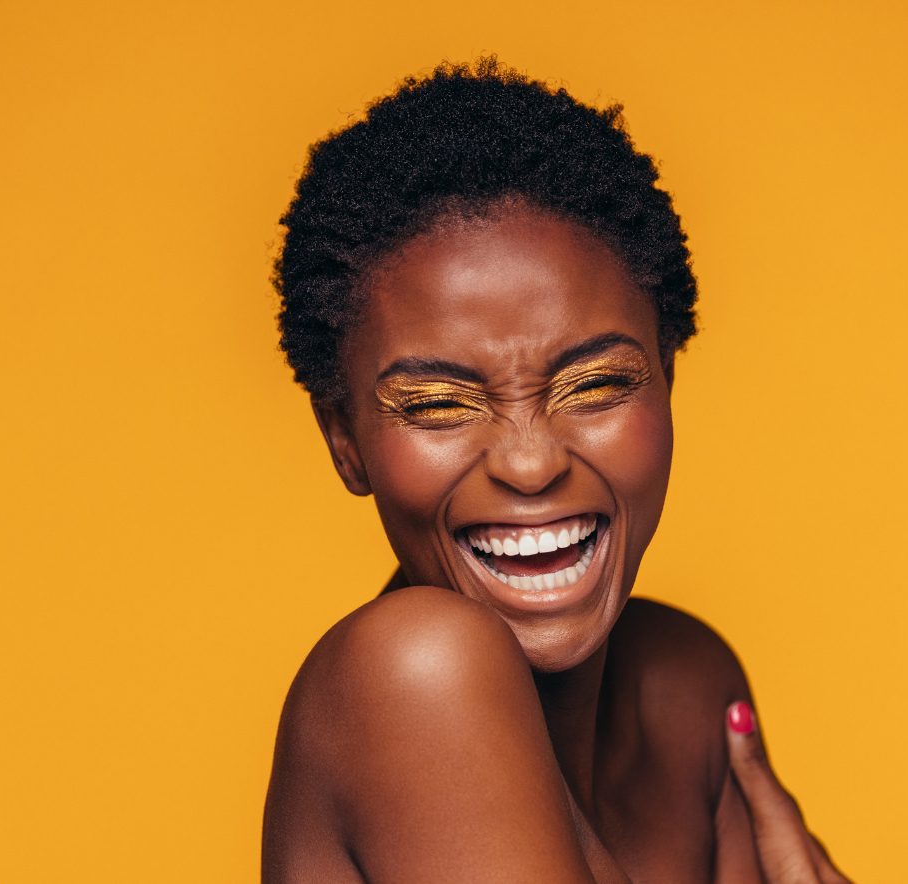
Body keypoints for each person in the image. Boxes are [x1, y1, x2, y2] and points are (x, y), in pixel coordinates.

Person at [262, 58, 851, 883]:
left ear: (666, 381)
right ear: (344, 440)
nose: (531, 463)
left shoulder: (685, 690)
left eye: (598, 385)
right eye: (437, 404)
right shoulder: (414, 672)